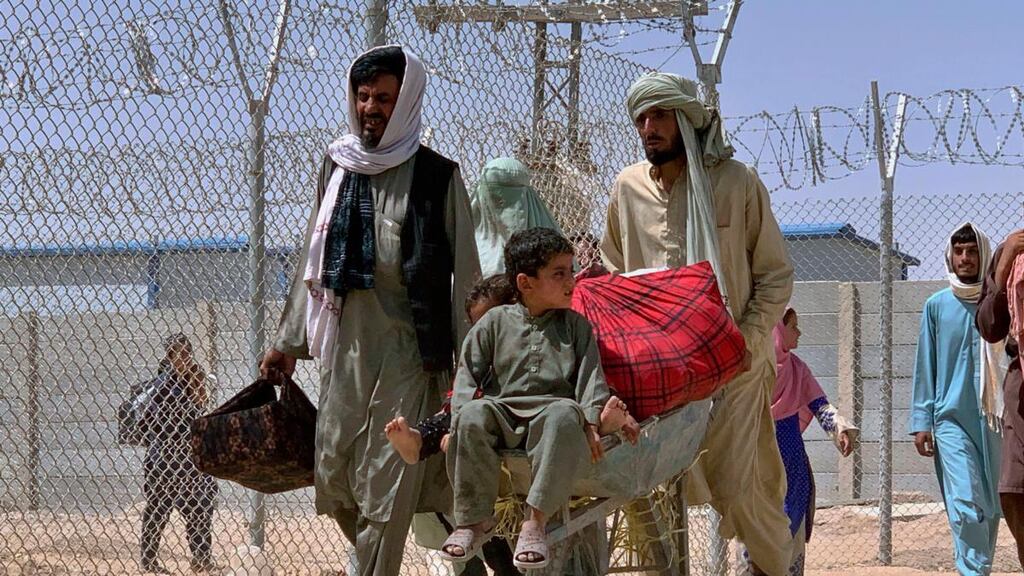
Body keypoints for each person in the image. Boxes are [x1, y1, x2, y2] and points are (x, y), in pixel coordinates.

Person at [259, 45, 480, 576]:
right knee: (333, 473)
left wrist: (472, 366)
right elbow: (312, 261)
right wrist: (288, 343)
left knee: (385, 483)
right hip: (348, 347)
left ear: (405, 102)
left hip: (409, 352)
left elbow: (466, 281)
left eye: (383, 98)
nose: (370, 108)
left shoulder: (437, 177)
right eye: (363, 97)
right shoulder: (339, 168)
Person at [600, 72, 794, 575]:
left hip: (735, 364)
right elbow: (616, 278)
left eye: (661, 115)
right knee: (652, 497)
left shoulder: (735, 182)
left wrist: (746, 342)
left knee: (740, 487)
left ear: (687, 119)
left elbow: (774, 276)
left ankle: (779, 567)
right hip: (656, 374)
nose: (649, 127)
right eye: (642, 118)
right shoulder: (626, 189)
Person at [440, 228, 638, 570]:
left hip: (551, 417)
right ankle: (474, 521)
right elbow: (467, 375)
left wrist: (590, 423)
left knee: (564, 412)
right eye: (558, 273)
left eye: (571, 271)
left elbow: (591, 378)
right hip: (502, 413)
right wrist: (457, 421)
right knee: (473, 414)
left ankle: (535, 522)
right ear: (525, 283)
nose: (571, 281)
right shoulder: (494, 323)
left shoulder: (576, 327)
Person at [385, 273, 520, 576]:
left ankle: (431, 439)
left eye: (491, 322)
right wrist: (455, 426)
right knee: (448, 417)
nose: (484, 333)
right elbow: (460, 396)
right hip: (471, 427)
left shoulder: (527, 348)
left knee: (470, 417)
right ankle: (419, 440)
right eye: (478, 326)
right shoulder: (478, 357)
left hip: (507, 424)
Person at [911, 223, 1003, 575]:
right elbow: (926, 365)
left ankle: (979, 566)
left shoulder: (999, 303)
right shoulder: (936, 306)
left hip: (994, 417)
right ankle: (973, 570)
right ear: (950, 256)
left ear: (984, 254)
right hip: (950, 420)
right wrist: (922, 421)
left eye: (973, 251)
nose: (965, 259)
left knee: (991, 505)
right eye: (959, 252)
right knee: (965, 502)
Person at [772, 308, 857, 574]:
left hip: (792, 466)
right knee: (757, 527)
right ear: (778, 330)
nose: (799, 332)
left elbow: (820, 406)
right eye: (794, 326)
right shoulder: (752, 370)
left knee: (791, 526)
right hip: (757, 461)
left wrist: (840, 430)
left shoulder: (797, 369)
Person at [139, 333, 218, 574]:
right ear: (170, 358)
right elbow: (149, 422)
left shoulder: (192, 380)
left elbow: (200, 412)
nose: (186, 357)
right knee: (159, 508)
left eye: (188, 353)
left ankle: (201, 557)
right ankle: (149, 560)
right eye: (180, 354)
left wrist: (198, 391)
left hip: (188, 459)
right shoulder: (163, 386)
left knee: (199, 506)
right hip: (163, 458)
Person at [977, 227, 1024, 568]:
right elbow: (990, 326)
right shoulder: (1013, 249)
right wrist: (1006, 262)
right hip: (1021, 386)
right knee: (1015, 490)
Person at [472, 157, 563, 277]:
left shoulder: (554, 249)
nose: (503, 208)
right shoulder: (463, 243)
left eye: (512, 202)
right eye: (495, 198)